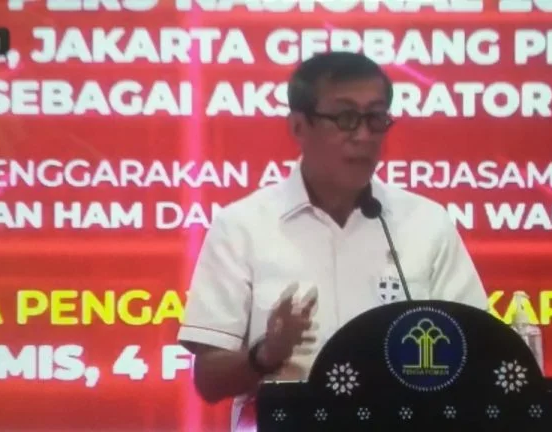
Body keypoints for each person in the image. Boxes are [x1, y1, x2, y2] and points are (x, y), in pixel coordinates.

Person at [177, 51, 488, 430]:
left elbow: (477, 350)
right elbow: (209, 380)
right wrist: (267, 353)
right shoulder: (242, 227)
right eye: (345, 118)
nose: (363, 135)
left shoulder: (425, 223)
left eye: (375, 118)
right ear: (298, 126)